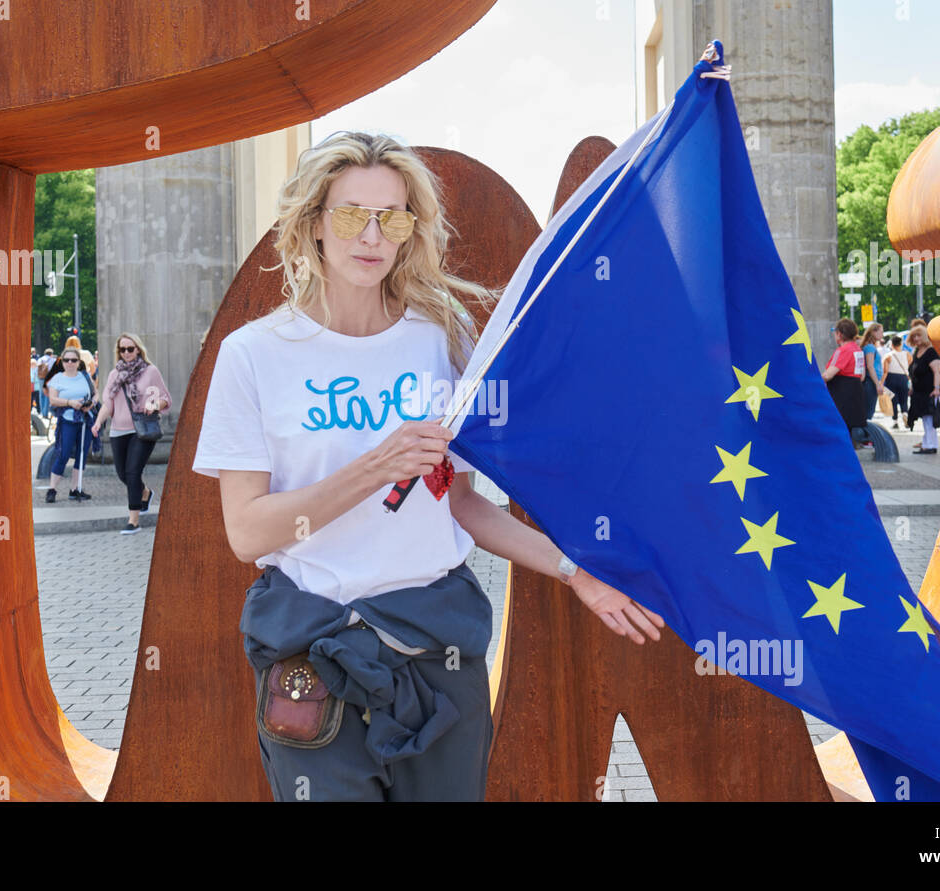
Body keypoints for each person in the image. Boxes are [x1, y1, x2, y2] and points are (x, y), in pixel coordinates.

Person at [192, 130, 665, 802]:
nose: (373, 235)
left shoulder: (440, 338)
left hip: (438, 655)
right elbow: (247, 533)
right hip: (316, 659)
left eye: (394, 217)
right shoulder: (255, 355)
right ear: (313, 224)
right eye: (353, 213)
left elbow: (462, 504)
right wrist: (373, 466)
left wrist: (575, 571)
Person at [91, 333, 173, 534]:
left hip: (141, 430)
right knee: (122, 474)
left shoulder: (150, 371)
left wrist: (154, 404)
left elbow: (165, 399)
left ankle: (133, 521)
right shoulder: (113, 375)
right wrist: (98, 422)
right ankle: (145, 493)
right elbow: (108, 404)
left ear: (138, 349)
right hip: (118, 431)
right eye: (122, 349)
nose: (126, 353)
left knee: (132, 472)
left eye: (130, 348)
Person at [43, 349, 95, 502]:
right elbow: (52, 400)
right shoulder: (57, 378)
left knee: (81, 454)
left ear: (79, 362)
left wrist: (91, 404)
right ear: (62, 362)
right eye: (66, 360)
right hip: (67, 420)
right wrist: (69, 403)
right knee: (63, 454)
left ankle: (75, 489)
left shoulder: (84, 376)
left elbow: (95, 393)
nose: (70, 363)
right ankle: (52, 489)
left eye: (73, 360)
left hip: (85, 420)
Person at [821, 318, 865, 442]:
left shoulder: (842, 350)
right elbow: (862, 376)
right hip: (855, 393)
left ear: (839, 334)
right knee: (848, 430)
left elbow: (828, 374)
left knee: (837, 428)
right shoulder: (858, 349)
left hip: (841, 395)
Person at [907, 325, 940, 455]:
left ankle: (930, 445)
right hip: (920, 391)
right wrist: (912, 387)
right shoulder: (917, 351)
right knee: (925, 418)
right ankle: (927, 443)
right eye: (914, 336)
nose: (916, 339)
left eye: (918, 336)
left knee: (929, 419)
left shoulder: (931, 351)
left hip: (930, 390)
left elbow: (936, 372)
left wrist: (936, 389)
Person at [859, 322, 885, 426]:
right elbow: (870, 366)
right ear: (873, 332)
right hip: (870, 383)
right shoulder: (870, 347)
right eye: (881, 332)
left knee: (868, 411)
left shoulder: (869, 346)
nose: (882, 335)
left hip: (871, 382)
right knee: (868, 413)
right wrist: (877, 384)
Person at [882, 334, 911, 429]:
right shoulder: (907, 354)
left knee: (893, 401)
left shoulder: (888, 356)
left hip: (891, 378)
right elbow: (910, 365)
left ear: (892, 344)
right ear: (901, 344)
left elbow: (885, 371)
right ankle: (905, 414)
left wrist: (881, 383)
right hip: (903, 378)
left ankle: (895, 421)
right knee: (904, 399)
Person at [37, 348, 56, 419]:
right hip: (48, 378)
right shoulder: (52, 360)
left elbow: (37, 370)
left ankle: (42, 412)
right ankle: (45, 413)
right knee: (47, 395)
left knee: (41, 395)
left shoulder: (40, 359)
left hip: (40, 378)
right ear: (51, 354)